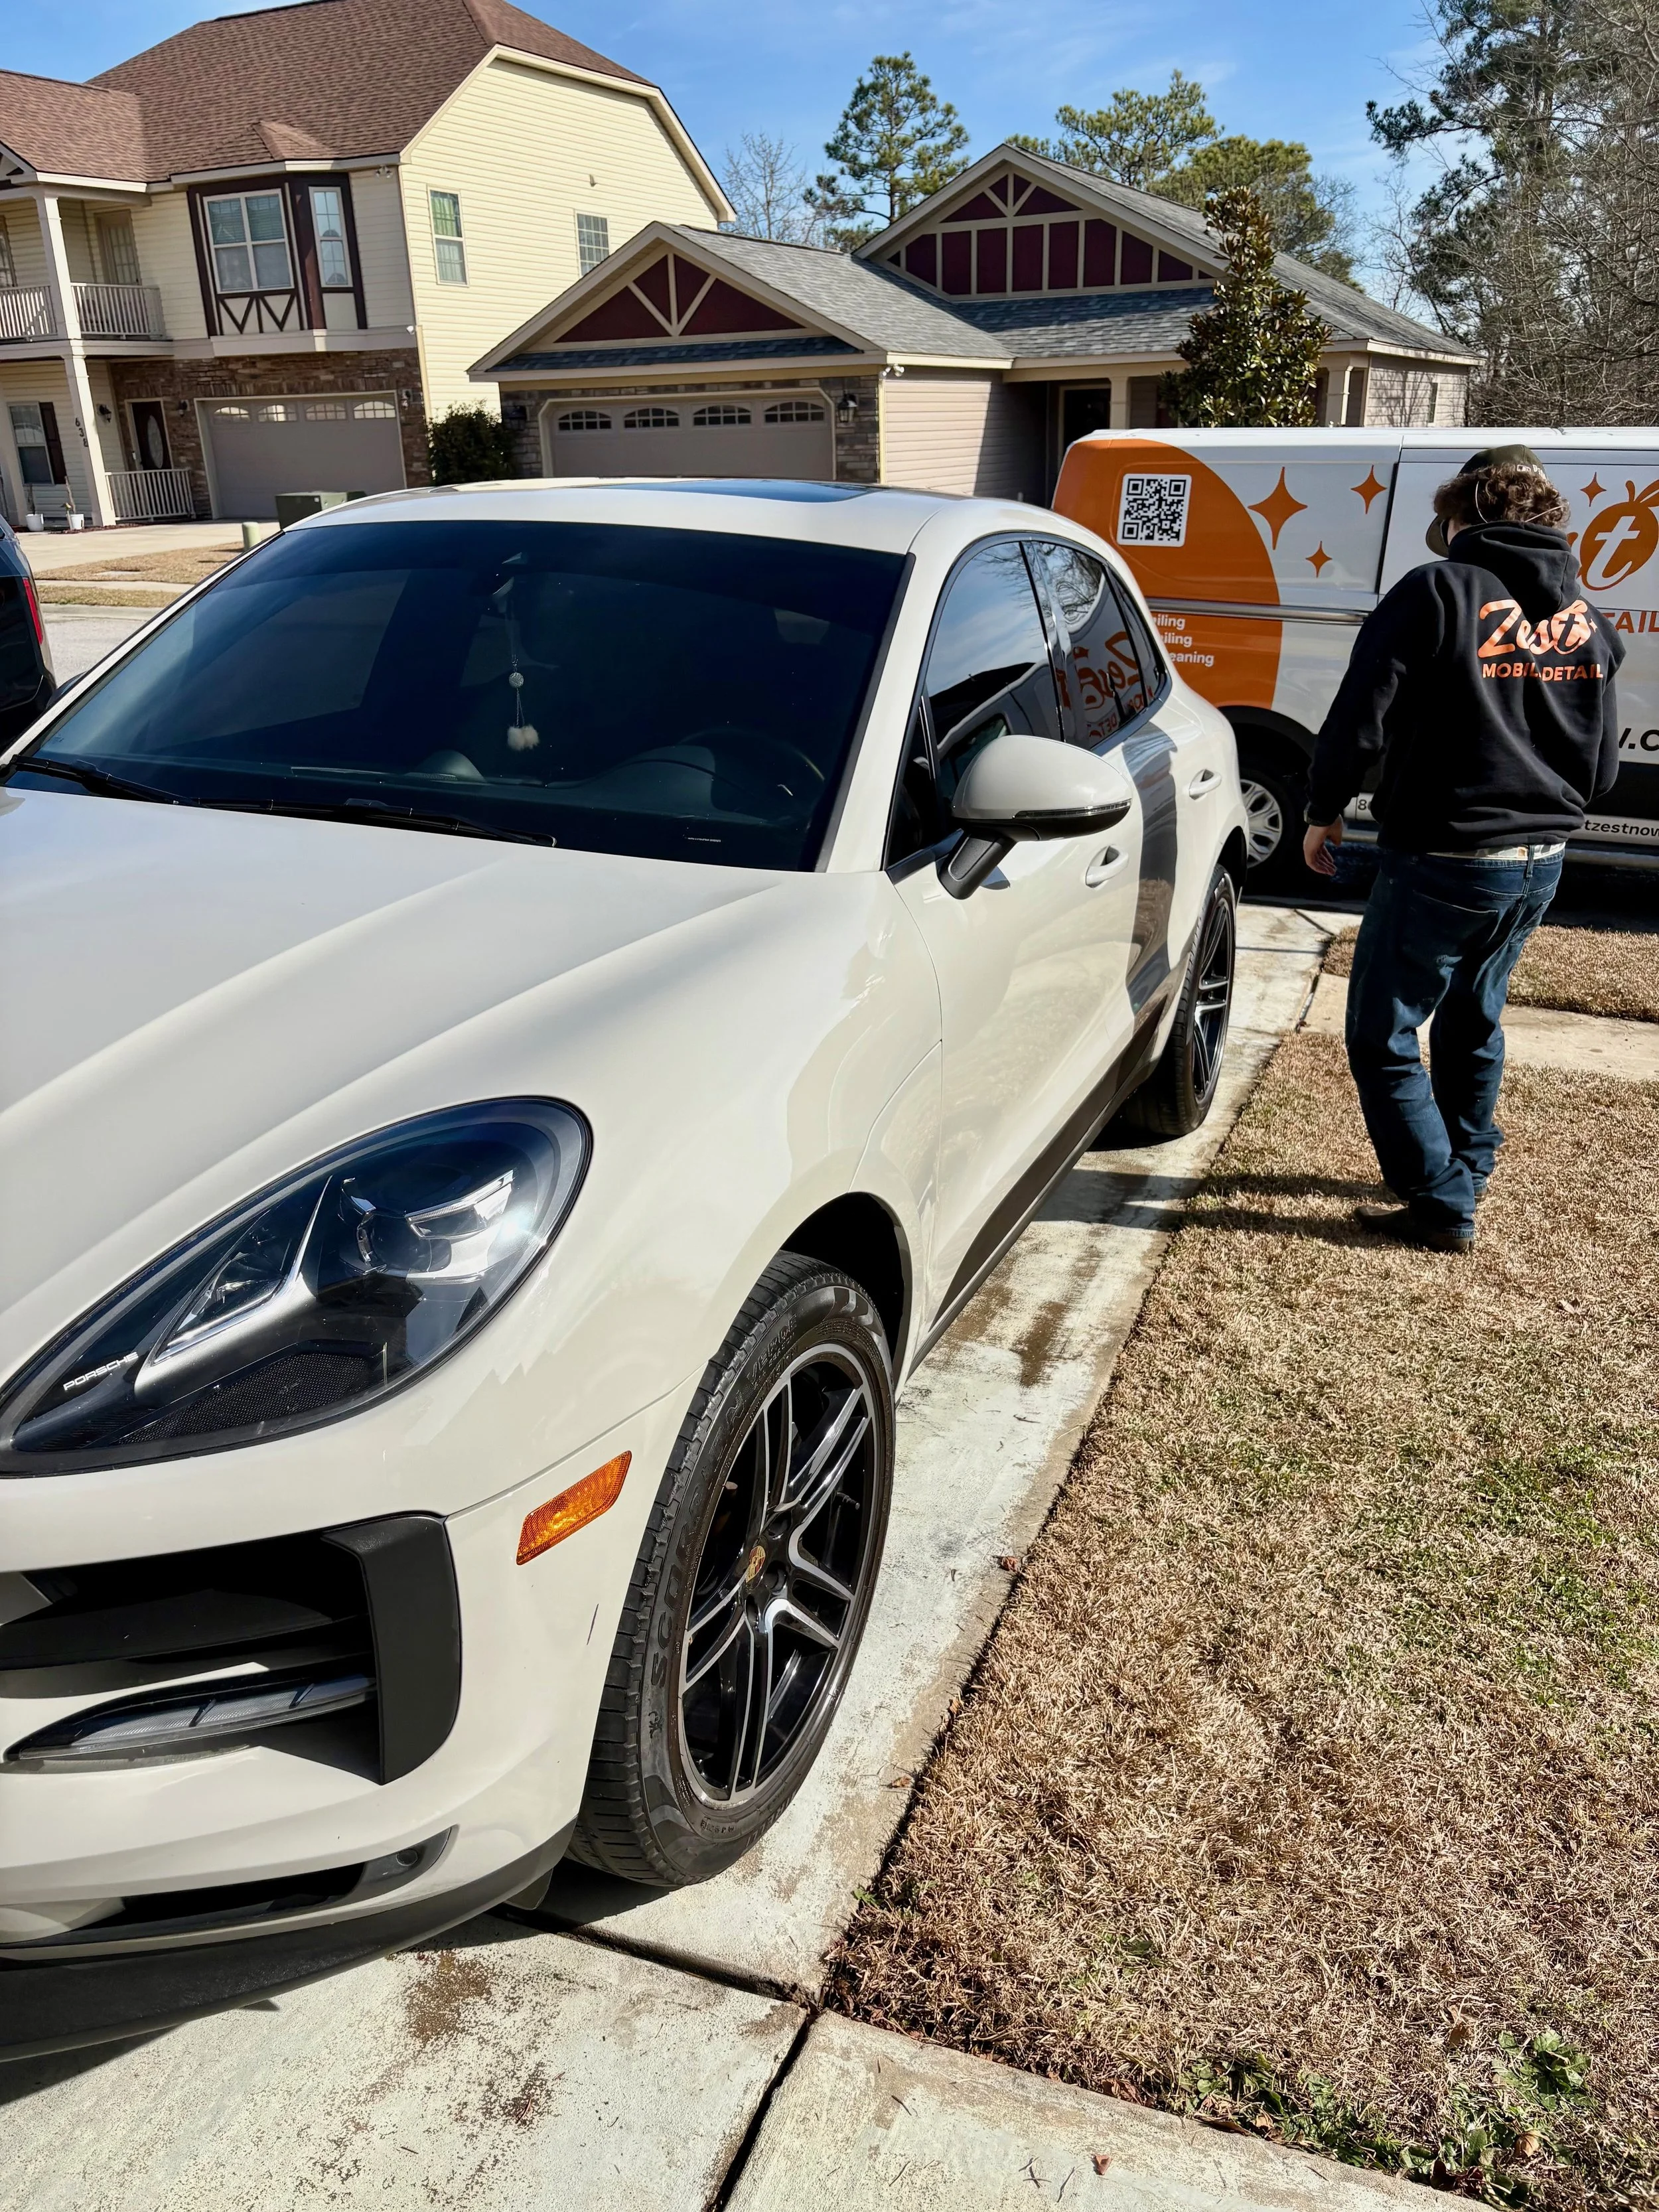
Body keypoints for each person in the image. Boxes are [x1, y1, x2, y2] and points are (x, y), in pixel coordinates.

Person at [1302, 447, 1624, 1254]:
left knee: (1382, 1034)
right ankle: (1468, 1163)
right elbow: (1605, 767)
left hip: (1446, 858)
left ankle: (1442, 1200)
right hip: (1540, 860)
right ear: (1549, 521)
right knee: (1475, 1015)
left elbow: (1358, 715)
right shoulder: (1586, 619)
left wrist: (1323, 807)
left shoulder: (1436, 590)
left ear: (1461, 516)